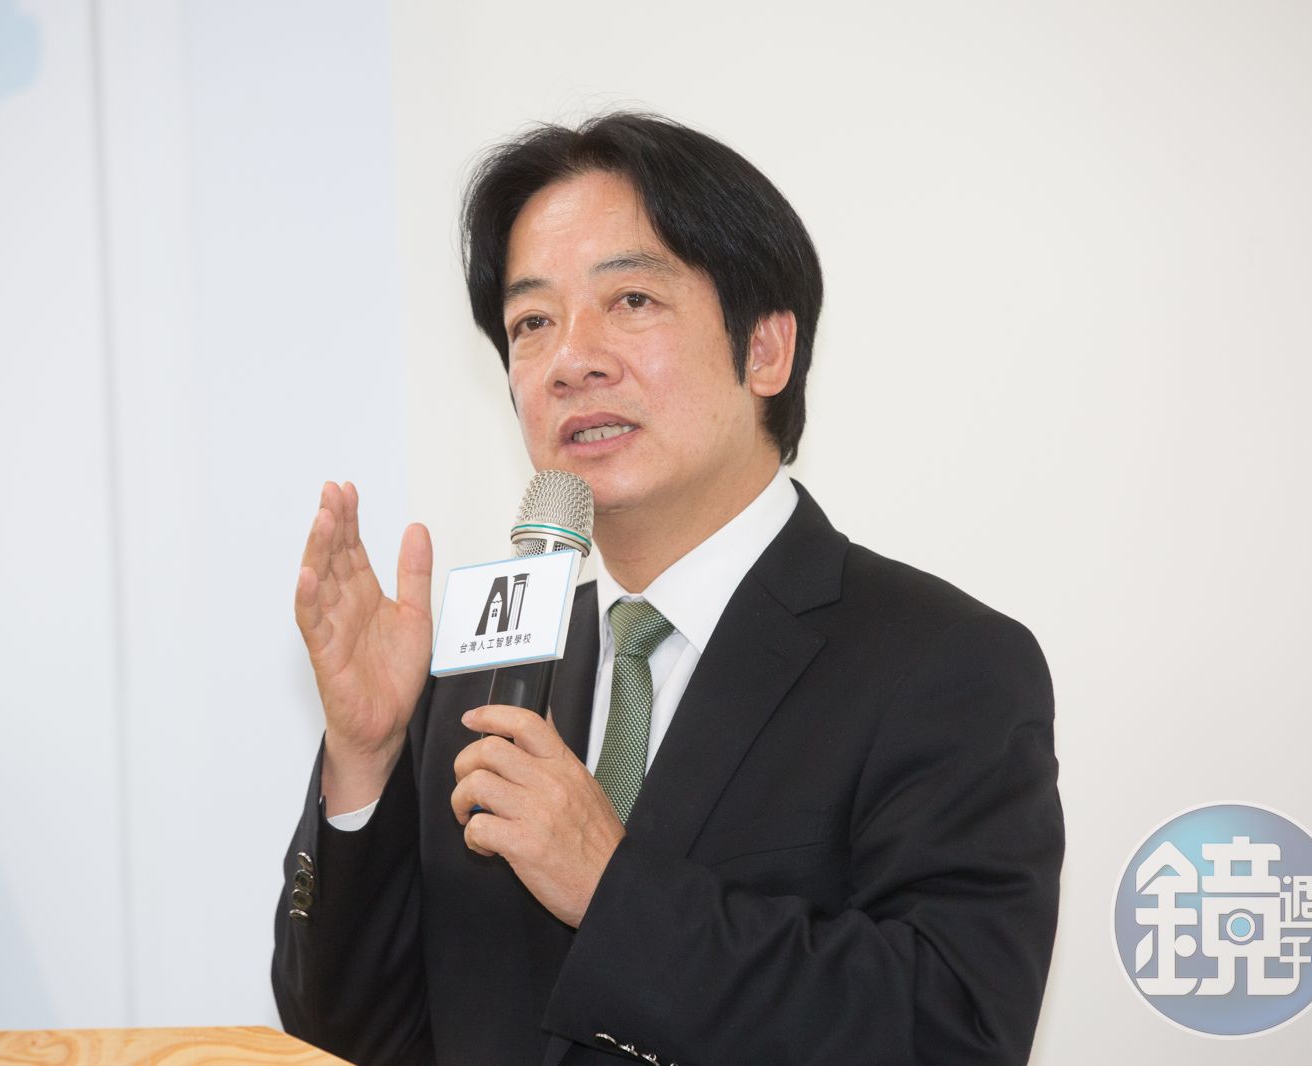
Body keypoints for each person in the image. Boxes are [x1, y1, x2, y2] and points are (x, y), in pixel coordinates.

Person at [272, 112, 1063, 1066]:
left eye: (632, 300)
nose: (573, 360)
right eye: (532, 323)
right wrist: (365, 761)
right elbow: (350, 1039)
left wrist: (610, 889)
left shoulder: (943, 664)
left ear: (764, 350)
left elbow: (949, 1033)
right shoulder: (485, 675)